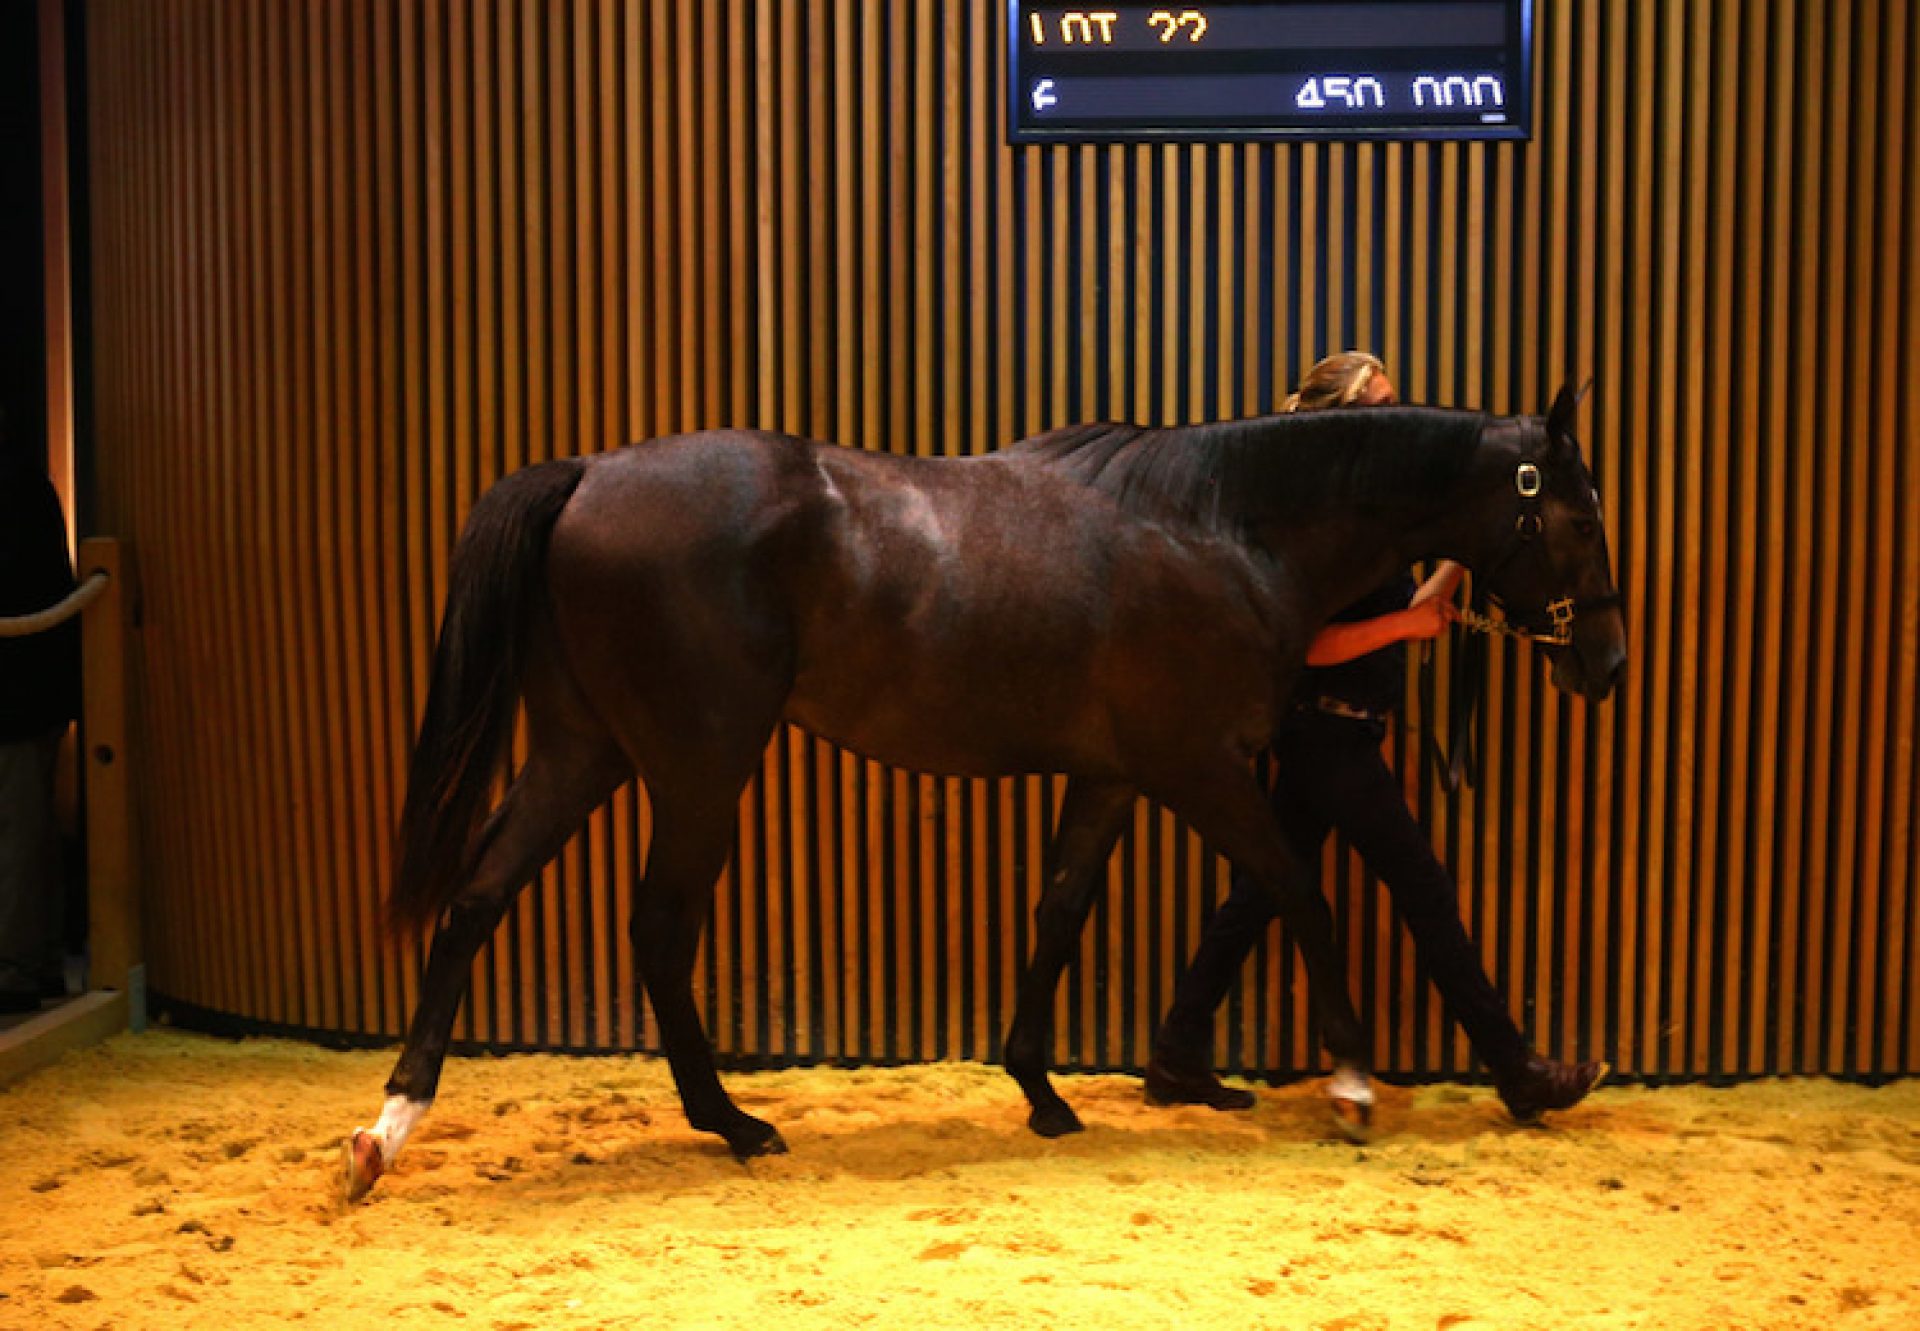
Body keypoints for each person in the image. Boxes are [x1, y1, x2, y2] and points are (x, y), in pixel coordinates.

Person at [1143, 351, 1605, 1127]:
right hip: (1333, 737)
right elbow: (1310, 646)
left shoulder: (1360, 518)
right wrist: (1405, 623)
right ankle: (1515, 1069)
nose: (1395, 416)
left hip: (1330, 737)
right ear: (1343, 414)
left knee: (1259, 893)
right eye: (1380, 402)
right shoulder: (1319, 524)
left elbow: (1413, 609)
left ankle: (1176, 1049)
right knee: (1426, 898)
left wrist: (1458, 563)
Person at [0, 434, 81, 1013]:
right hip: (27, 685)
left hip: (17, 689)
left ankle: (21, 967)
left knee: (19, 831)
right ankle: (26, 963)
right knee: (21, 831)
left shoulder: (15, 482)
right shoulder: (22, 475)